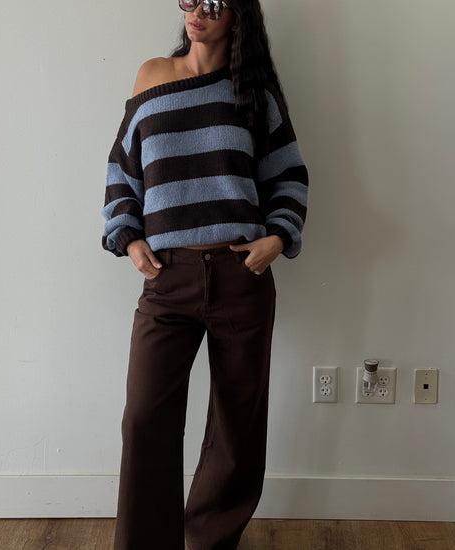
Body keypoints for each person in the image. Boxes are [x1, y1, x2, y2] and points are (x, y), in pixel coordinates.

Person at [101, 0, 309, 548]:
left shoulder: (255, 95)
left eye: (213, 2)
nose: (197, 10)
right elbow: (122, 168)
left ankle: (211, 542)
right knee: (144, 419)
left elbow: (289, 174)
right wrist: (127, 236)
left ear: (238, 14)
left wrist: (278, 236)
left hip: (241, 274)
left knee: (236, 427)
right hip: (167, 278)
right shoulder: (152, 76)